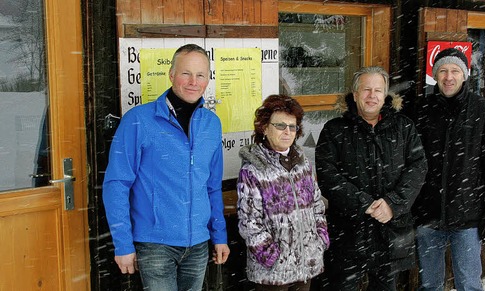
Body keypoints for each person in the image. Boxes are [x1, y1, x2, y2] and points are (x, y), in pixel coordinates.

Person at [103, 44, 230, 290]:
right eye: (186, 73)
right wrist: (123, 244)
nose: (194, 81)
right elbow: (116, 184)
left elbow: (212, 187)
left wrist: (219, 236)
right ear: (171, 75)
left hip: (198, 244)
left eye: (201, 75)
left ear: (208, 79)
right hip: (155, 244)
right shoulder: (139, 120)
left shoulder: (211, 124)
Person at [315, 66, 427, 290]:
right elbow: (327, 176)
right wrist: (364, 203)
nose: (372, 95)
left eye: (378, 90)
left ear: (386, 95)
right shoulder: (335, 130)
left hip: (390, 232)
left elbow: (418, 167)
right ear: (355, 94)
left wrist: (392, 204)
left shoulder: (403, 127)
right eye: (366, 89)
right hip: (348, 233)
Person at [412, 47, 485, 291]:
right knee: (429, 284)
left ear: (465, 75)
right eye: (443, 71)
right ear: (435, 75)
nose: (448, 77)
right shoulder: (421, 110)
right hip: (428, 214)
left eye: (455, 70)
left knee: (469, 284)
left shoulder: (483, 110)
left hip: (468, 217)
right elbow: (408, 161)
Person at [236, 94, 330, 291]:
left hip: (306, 265)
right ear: (264, 127)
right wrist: (273, 257)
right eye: (280, 126)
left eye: (292, 126)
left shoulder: (302, 163)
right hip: (273, 274)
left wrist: (319, 241)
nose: (287, 131)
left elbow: (317, 205)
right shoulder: (254, 169)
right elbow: (249, 223)